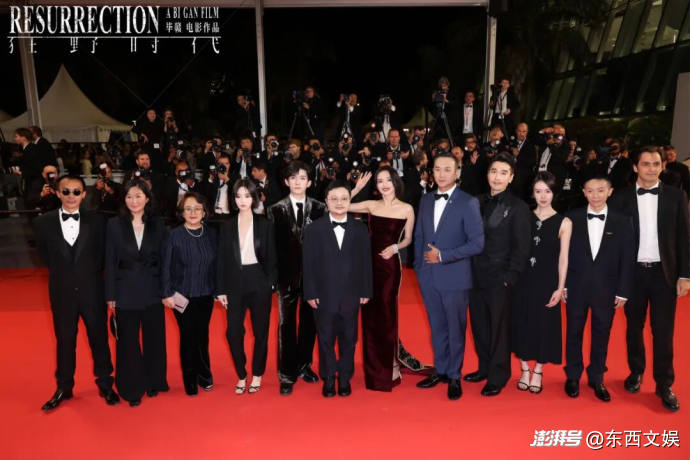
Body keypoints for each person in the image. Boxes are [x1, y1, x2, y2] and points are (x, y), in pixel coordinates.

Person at [609, 147, 690, 412]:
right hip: (632, 274)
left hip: (664, 274)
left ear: (662, 166)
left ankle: (664, 384)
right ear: (635, 167)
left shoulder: (676, 196)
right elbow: (613, 241)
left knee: (663, 332)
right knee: (634, 327)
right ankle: (636, 372)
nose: (652, 169)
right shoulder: (620, 198)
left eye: (656, 164)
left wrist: (685, 275)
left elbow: (685, 238)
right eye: (646, 164)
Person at [34, 175, 118, 410]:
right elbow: (45, 256)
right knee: (64, 340)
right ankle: (64, 386)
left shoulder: (98, 221)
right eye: (66, 191)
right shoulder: (43, 223)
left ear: (84, 194)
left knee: (99, 339)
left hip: (93, 291)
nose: (71, 196)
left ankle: (105, 383)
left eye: (76, 191)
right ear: (57, 193)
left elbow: (103, 256)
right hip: (62, 292)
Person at [414, 152, 485, 400]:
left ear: (457, 172)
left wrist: (444, 256)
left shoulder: (468, 202)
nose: (441, 174)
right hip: (428, 276)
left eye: (447, 169)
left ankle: (454, 375)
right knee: (437, 327)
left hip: (455, 277)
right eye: (437, 169)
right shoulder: (425, 200)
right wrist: (419, 269)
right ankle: (441, 370)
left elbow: (477, 244)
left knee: (455, 328)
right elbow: (420, 237)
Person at [563, 175, 635, 402]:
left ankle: (597, 378)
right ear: (584, 192)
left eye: (601, 190)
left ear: (610, 191)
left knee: (602, 333)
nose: (595, 195)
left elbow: (628, 258)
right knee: (573, 332)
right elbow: (562, 254)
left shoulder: (622, 220)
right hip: (576, 286)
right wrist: (563, 284)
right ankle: (572, 376)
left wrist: (623, 290)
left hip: (607, 288)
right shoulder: (572, 217)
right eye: (590, 190)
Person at [348, 167, 420, 391]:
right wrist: (356, 189)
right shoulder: (372, 205)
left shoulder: (406, 208)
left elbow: (408, 238)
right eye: (380, 181)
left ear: (395, 181)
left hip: (389, 267)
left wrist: (395, 247)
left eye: (388, 179)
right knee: (369, 315)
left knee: (387, 315)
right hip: (368, 266)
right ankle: (374, 368)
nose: (384, 184)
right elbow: (338, 205)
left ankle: (392, 364)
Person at [465, 153, 531, 397]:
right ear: (487, 174)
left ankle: (498, 375)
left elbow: (522, 246)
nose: (497, 177)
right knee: (480, 325)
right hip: (474, 274)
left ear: (511, 177)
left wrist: (510, 275)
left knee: (498, 329)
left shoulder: (518, 207)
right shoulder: (475, 201)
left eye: (503, 173)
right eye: (494, 171)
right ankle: (484, 367)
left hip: (499, 277)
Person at [303, 180, 373, 397]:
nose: (339, 203)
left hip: (351, 294)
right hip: (323, 294)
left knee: (349, 339)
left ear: (350, 200)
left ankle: (344, 377)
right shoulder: (314, 229)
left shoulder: (360, 228)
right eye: (334, 199)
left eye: (344, 198)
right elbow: (308, 264)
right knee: (325, 338)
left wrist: (366, 290)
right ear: (326, 201)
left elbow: (366, 262)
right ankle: (328, 377)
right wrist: (310, 292)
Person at [105, 179, 169, 407]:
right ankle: (131, 388)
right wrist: (110, 295)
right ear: (124, 199)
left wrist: (166, 291)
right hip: (125, 290)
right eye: (129, 196)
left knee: (154, 338)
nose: (134, 201)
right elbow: (109, 261)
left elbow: (165, 261)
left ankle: (153, 381)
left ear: (147, 198)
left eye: (138, 196)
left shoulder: (158, 224)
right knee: (127, 342)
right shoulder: (114, 225)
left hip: (153, 289)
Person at [266, 161, 326, 395]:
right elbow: (271, 248)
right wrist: (272, 277)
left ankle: (303, 366)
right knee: (286, 325)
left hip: (314, 277)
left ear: (309, 182)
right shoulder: (274, 210)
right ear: (286, 181)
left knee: (310, 323)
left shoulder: (320, 208)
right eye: (293, 178)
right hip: (285, 277)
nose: (298, 182)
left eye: (302, 178)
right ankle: (286, 374)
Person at [512, 172, 572, 394]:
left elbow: (564, 258)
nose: (543, 196)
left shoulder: (564, 222)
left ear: (554, 192)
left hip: (547, 281)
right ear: (532, 193)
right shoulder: (523, 216)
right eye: (538, 191)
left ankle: (538, 369)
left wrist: (560, 287)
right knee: (521, 321)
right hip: (523, 279)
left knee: (544, 325)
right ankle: (524, 368)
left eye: (547, 191)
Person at [217, 179, 277, 395]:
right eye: (238, 196)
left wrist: (270, 284)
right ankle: (242, 373)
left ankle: (258, 373)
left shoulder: (265, 224)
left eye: (247, 196)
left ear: (254, 198)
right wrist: (220, 289)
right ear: (233, 199)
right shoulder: (226, 226)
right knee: (233, 332)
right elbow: (221, 259)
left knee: (261, 332)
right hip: (234, 284)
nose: (242, 200)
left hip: (259, 282)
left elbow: (272, 257)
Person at [161, 192, 217, 396]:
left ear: (204, 211)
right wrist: (166, 293)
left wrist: (219, 290)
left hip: (206, 294)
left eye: (197, 208)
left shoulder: (211, 234)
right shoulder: (173, 235)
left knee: (202, 335)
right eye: (188, 209)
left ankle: (204, 374)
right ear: (182, 212)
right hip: (181, 295)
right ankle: (190, 379)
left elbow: (217, 264)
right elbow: (165, 266)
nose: (193, 213)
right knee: (187, 336)